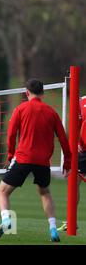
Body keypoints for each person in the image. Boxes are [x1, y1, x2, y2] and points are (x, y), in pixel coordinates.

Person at [0, 79, 71, 242]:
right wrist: (67, 161)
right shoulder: (51, 112)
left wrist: (10, 155)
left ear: (27, 92)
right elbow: (63, 138)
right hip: (42, 161)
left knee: (2, 192)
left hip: (23, 158)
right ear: (42, 93)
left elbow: (11, 134)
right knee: (45, 192)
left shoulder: (20, 109)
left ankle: (7, 221)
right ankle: (53, 229)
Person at [58, 95, 86, 231]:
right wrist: (75, 144)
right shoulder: (82, 101)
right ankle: (71, 220)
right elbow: (77, 125)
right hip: (84, 151)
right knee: (73, 181)